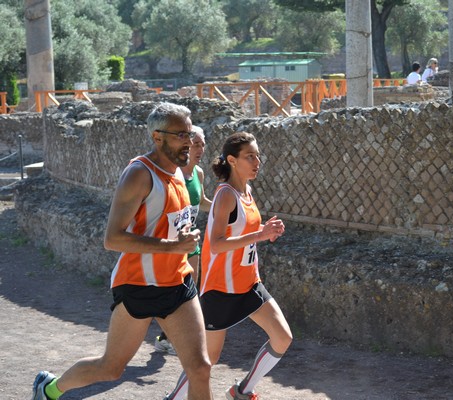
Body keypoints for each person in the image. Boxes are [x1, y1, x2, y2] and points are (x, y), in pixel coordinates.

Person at [31, 102, 213, 400]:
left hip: (178, 282)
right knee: (111, 368)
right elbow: (112, 239)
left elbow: (169, 221)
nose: (189, 141)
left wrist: (184, 235)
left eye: (190, 133)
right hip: (138, 285)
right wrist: (171, 246)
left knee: (200, 368)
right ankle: (49, 389)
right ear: (158, 137)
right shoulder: (139, 174)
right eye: (181, 135)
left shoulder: (181, 172)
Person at [164, 132, 292, 400]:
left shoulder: (247, 190)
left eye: (257, 155)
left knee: (283, 337)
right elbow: (218, 243)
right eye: (250, 156)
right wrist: (259, 234)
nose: (257, 161)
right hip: (221, 290)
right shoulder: (225, 195)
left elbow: (244, 233)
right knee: (206, 361)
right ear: (232, 160)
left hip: (249, 283)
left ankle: (242, 391)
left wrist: (266, 232)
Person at [154, 125, 213, 356]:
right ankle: (168, 336)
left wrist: (226, 205)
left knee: (190, 288)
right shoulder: (173, 173)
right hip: (170, 241)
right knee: (171, 289)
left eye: (203, 144)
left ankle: (171, 338)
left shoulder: (198, 173)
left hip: (191, 239)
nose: (200, 149)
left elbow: (203, 201)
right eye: (196, 143)